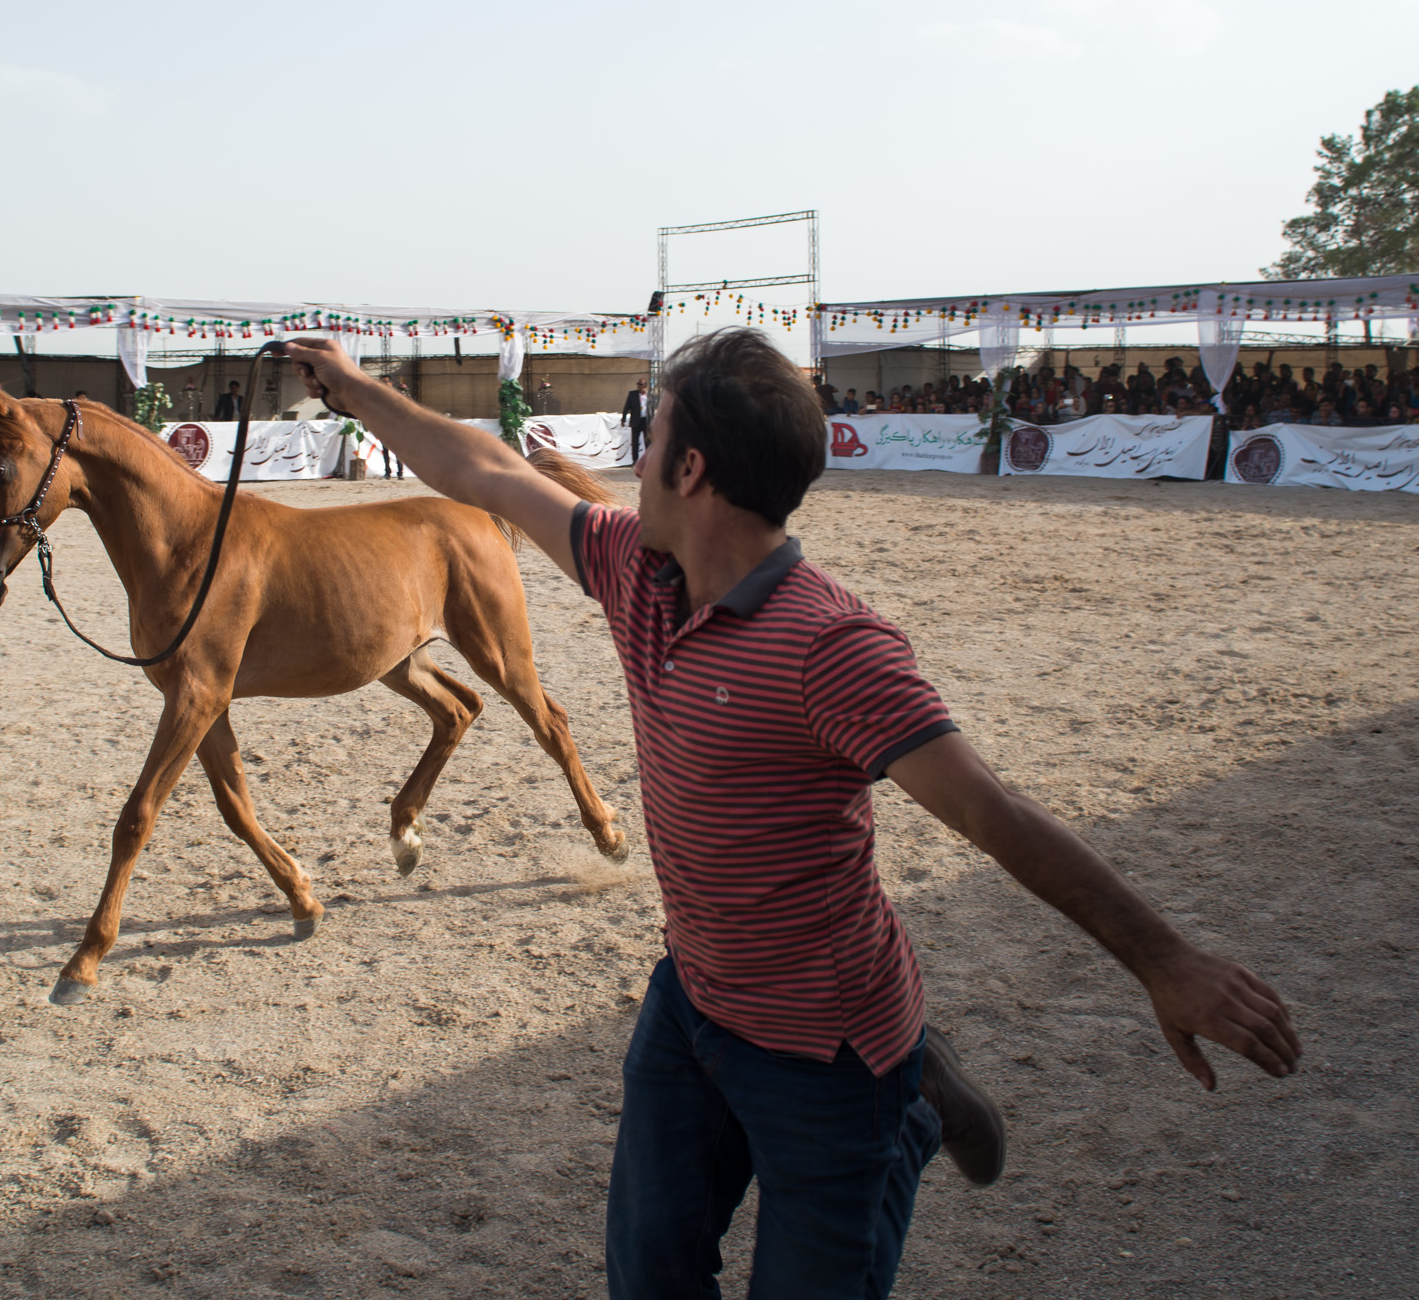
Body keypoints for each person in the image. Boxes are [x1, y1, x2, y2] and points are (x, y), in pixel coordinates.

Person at [279, 327, 1300, 1299]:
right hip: (693, 1003)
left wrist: (1162, 960)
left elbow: (995, 816)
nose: (631, 466)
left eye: (652, 440)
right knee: (647, 1277)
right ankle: (920, 1077)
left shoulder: (833, 648)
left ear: (689, 473)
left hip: (827, 1055)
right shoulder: (636, 569)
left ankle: (905, 1096)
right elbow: (485, 472)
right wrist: (353, 388)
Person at [620, 377, 649, 466]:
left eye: (640, 384)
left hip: (646, 421)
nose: (638, 386)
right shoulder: (632, 394)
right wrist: (623, 419)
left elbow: (652, 408)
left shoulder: (649, 395)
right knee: (635, 441)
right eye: (638, 384)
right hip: (636, 420)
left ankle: (648, 460)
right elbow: (626, 407)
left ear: (645, 386)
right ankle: (635, 461)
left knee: (647, 441)